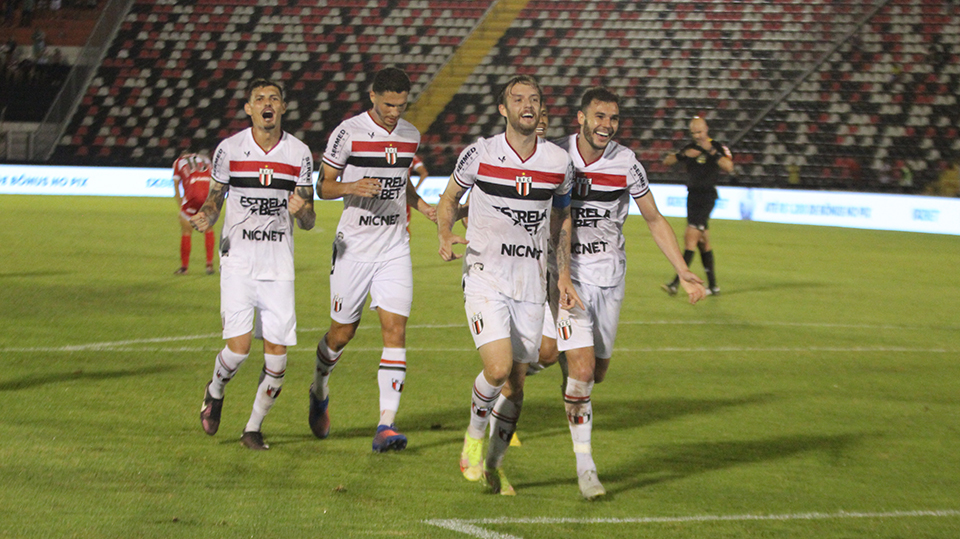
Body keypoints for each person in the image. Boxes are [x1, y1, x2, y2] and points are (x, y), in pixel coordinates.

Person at [528, 88, 705, 499]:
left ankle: (528, 375)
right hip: (566, 275)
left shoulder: (627, 163)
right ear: (581, 118)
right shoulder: (557, 155)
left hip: (609, 276)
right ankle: (586, 468)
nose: (606, 124)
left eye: (613, 118)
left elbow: (653, 217)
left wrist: (683, 270)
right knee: (584, 372)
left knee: (589, 371)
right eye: (599, 116)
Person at [437, 74, 583, 495]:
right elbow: (449, 199)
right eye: (517, 99)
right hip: (486, 276)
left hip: (531, 282)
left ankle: (494, 467)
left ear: (540, 109)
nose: (527, 105)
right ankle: (473, 436)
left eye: (533, 99)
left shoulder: (558, 163)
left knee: (516, 383)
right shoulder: (479, 154)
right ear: (503, 109)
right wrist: (445, 233)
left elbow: (561, 218)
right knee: (498, 369)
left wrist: (564, 276)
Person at [310, 67, 436, 453]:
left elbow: (401, 181)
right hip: (355, 247)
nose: (395, 112)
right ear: (373, 97)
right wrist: (352, 185)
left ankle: (386, 424)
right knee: (341, 334)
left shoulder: (410, 135)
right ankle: (319, 386)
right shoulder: (348, 132)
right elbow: (323, 185)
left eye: (401, 105)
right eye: (388, 105)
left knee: (395, 330)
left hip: (394, 245)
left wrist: (420, 204)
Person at [193, 78, 316, 451]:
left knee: (278, 362)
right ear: (248, 108)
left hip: (278, 266)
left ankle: (253, 428)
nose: (267, 104)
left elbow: (309, 218)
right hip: (239, 261)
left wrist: (303, 210)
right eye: (260, 98)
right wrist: (207, 215)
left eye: (274, 99)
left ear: (282, 108)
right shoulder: (229, 149)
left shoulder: (299, 153)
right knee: (240, 348)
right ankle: (215, 391)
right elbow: (216, 197)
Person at [661, 116, 733, 296]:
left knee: (690, 238)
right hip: (692, 197)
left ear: (706, 129)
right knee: (703, 241)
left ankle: (675, 283)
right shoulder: (690, 148)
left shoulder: (717, 147)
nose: (697, 136)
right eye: (694, 133)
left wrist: (712, 153)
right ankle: (714, 286)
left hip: (707, 197)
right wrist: (682, 155)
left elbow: (729, 167)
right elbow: (667, 161)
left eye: (700, 132)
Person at [172, 150, 216, 275]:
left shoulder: (179, 162)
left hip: (192, 196)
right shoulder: (205, 159)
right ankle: (209, 266)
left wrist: (181, 204)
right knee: (208, 229)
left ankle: (184, 268)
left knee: (186, 230)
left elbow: (175, 184)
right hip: (207, 195)